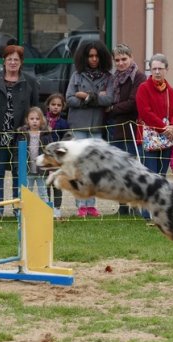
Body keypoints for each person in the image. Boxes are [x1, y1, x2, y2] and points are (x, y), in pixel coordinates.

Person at [0, 44, 39, 218]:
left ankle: (19, 209)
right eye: (9, 59)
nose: (12, 62)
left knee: (19, 173)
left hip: (20, 136)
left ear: (21, 62)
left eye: (16, 59)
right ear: (4, 61)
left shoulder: (30, 81)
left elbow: (35, 108)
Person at [65, 40, 113, 217]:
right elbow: (69, 99)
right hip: (79, 125)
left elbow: (109, 99)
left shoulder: (108, 77)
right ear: (84, 58)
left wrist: (85, 96)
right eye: (90, 56)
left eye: (96, 56)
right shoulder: (77, 76)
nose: (93, 59)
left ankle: (91, 204)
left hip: (97, 126)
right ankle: (80, 205)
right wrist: (94, 99)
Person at [136, 53, 173, 220]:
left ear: (166, 70)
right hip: (150, 138)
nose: (156, 72)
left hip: (167, 138)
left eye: (160, 69)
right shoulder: (143, 88)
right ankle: (147, 214)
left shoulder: (170, 90)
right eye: (153, 68)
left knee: (161, 177)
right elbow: (145, 112)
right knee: (150, 176)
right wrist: (164, 128)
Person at [106, 43, 146, 215]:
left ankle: (136, 206)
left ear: (131, 58)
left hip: (132, 128)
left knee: (133, 170)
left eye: (124, 59)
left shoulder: (138, 77)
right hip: (116, 128)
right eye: (117, 60)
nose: (121, 63)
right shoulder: (113, 78)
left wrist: (112, 108)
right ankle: (122, 207)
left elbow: (133, 102)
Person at [16, 106, 51, 203]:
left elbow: (50, 153)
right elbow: (16, 152)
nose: (34, 121)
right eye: (32, 119)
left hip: (42, 171)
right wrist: (18, 167)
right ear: (27, 120)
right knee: (26, 193)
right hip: (27, 171)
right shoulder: (22, 134)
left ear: (42, 120)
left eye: (37, 119)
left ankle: (45, 215)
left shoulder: (46, 135)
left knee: (43, 193)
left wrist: (51, 169)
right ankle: (24, 216)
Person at [44, 93, 69, 219]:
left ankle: (57, 208)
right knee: (46, 183)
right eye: (53, 104)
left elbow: (67, 139)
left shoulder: (64, 123)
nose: (55, 107)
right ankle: (46, 207)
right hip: (44, 158)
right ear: (48, 105)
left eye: (59, 105)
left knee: (57, 184)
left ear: (63, 107)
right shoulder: (41, 120)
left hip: (58, 159)